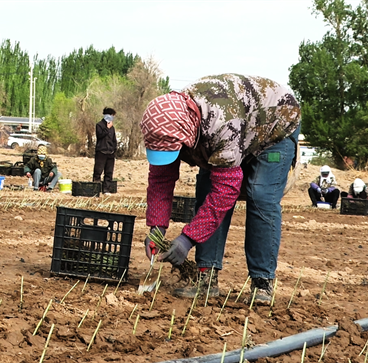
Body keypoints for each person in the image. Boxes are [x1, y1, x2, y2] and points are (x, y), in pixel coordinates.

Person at [141, 74, 301, 305]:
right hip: (237, 125)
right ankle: (206, 276)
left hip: (275, 124)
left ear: (188, 135)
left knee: (260, 195)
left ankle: (262, 282)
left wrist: (187, 239)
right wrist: (157, 228)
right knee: (206, 189)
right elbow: (161, 179)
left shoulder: (221, 124)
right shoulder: (164, 123)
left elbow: (225, 191)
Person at [94, 107, 117, 192]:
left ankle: (106, 189)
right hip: (101, 151)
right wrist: (107, 128)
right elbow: (99, 135)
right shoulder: (99, 125)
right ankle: (96, 189)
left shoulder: (112, 127)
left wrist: (114, 149)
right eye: (112, 115)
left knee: (109, 172)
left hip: (110, 152)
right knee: (98, 171)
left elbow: (114, 139)